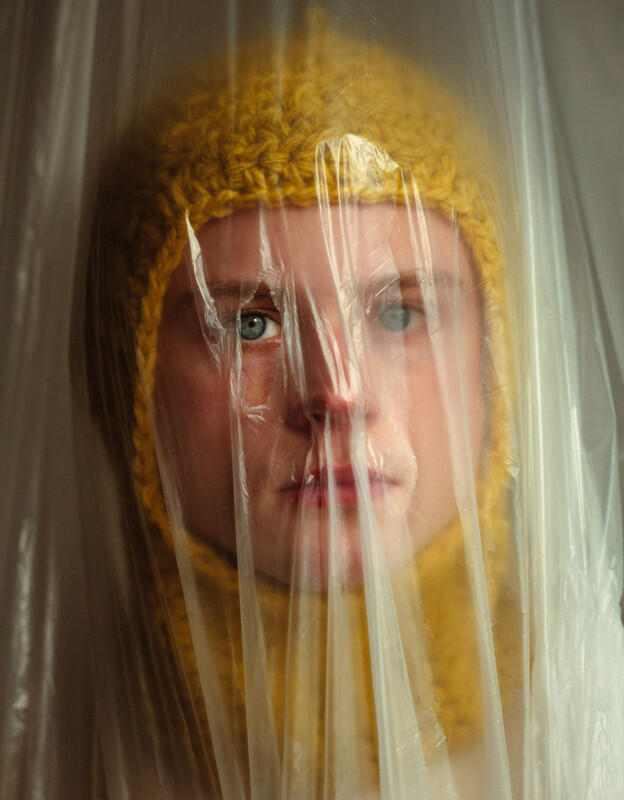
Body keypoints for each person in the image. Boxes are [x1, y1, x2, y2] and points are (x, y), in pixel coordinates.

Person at [88, 15, 522, 798]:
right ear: (124, 376)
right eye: (250, 324)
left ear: (499, 363)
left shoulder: (603, 728)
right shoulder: (45, 740)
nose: (339, 392)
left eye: (399, 313)